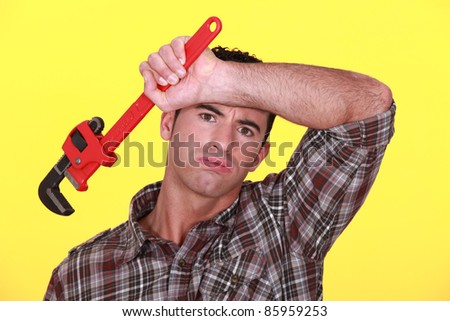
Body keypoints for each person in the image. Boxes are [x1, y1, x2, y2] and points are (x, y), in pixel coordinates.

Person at [44, 36, 395, 300]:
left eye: (245, 129)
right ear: (168, 125)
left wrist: (220, 78)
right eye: (208, 115)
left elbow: (368, 104)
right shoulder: (82, 274)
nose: (223, 142)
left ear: (259, 154)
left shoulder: (289, 220)